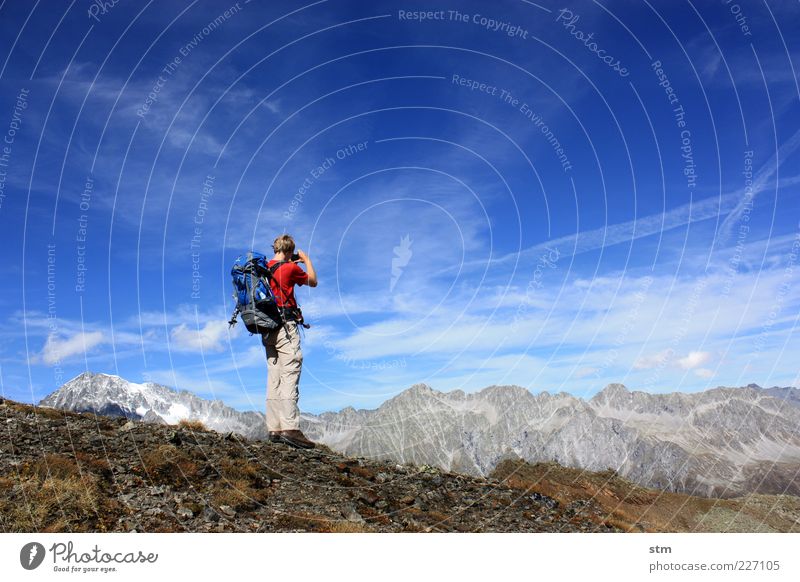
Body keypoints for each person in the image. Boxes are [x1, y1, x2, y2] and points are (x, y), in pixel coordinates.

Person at [262, 234, 318, 449]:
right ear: (290, 250)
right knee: (290, 373)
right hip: (286, 326)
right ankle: (290, 429)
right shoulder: (291, 269)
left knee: (273, 377)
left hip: (266, 329)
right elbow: (313, 282)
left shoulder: (264, 268)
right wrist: (306, 261)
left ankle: (274, 429)